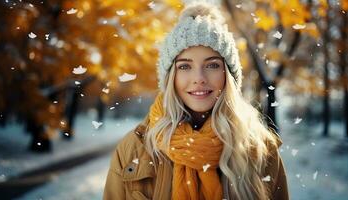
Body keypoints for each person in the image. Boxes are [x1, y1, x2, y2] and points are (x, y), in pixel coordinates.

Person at [103, 2, 289, 200]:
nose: (199, 77)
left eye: (212, 65)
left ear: (228, 76)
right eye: (184, 67)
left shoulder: (260, 149)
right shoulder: (133, 150)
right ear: (170, 78)